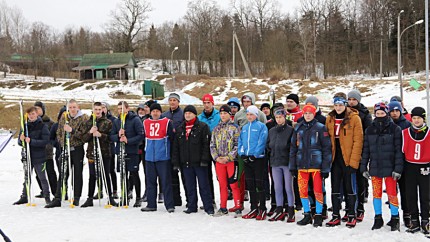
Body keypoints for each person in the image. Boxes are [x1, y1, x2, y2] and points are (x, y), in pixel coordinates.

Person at [360, 102, 403, 231]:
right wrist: (363, 167)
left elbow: (398, 151)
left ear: (387, 113)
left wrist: (398, 168)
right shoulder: (370, 130)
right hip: (375, 167)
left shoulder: (395, 129)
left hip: (390, 168)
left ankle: (395, 218)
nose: (380, 116)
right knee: (377, 194)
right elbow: (366, 150)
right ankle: (378, 217)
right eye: (377, 113)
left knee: (392, 193)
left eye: (382, 113)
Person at [290, 104, 332, 227]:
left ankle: (318, 214)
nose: (308, 115)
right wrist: (292, 166)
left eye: (310, 113)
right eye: (306, 113)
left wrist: (325, 167)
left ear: (314, 114)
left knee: (318, 190)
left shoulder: (320, 128)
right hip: (301, 165)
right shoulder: (298, 128)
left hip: (316, 166)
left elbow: (327, 149)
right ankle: (307, 213)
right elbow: (293, 148)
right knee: (302, 191)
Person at [325, 94, 363, 228]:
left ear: (345, 105)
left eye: (341, 105)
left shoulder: (354, 118)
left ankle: (351, 214)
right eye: (336, 105)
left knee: (349, 187)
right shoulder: (330, 118)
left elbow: (358, 141)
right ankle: (335, 215)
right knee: (335, 187)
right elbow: (327, 140)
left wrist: (354, 162)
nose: (338, 107)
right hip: (335, 158)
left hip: (348, 158)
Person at [172, 105, 214, 215]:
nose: (188, 115)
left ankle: (208, 206)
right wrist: (176, 162)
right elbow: (176, 147)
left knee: (204, 186)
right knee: (189, 186)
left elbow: (206, 145)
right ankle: (191, 205)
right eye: (186, 113)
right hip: (185, 163)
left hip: (200, 163)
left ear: (195, 114)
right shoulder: (180, 128)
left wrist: (205, 159)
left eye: (190, 113)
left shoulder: (202, 127)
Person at [46, 99, 88, 208]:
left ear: (78, 107)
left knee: (77, 173)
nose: (72, 109)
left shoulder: (83, 118)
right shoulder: (64, 117)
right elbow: (59, 132)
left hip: (77, 149)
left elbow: (84, 135)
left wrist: (72, 131)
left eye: (74, 107)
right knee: (63, 173)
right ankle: (58, 197)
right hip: (66, 148)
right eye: (70, 107)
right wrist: (62, 142)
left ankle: (76, 197)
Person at [80, 102, 118, 207]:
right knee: (92, 176)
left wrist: (101, 135)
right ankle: (90, 198)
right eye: (95, 109)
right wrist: (90, 133)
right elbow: (83, 139)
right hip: (92, 153)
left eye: (99, 109)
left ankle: (110, 197)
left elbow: (111, 138)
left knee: (106, 174)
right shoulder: (88, 123)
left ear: (102, 110)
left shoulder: (108, 122)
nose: (97, 111)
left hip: (105, 153)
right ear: (93, 110)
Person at [140, 103, 175, 213]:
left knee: (166, 182)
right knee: (150, 181)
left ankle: (169, 205)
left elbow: (173, 139)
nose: (155, 113)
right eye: (153, 111)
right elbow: (142, 138)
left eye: (157, 111)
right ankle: (151, 204)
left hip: (163, 157)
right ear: (150, 112)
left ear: (160, 112)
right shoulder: (145, 122)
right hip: (149, 157)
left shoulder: (167, 122)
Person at [14, 106, 51, 205]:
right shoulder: (25, 126)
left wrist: (32, 141)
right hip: (27, 156)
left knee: (42, 178)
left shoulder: (42, 126)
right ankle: (24, 196)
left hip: (39, 157)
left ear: (37, 114)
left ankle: (47, 196)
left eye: (33, 114)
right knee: (27, 177)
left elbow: (46, 141)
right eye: (29, 114)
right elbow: (19, 142)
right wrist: (21, 140)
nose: (31, 116)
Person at [110, 101, 144, 207]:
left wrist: (128, 140)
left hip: (132, 151)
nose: (120, 110)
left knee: (134, 174)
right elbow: (111, 136)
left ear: (127, 108)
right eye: (119, 108)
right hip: (120, 151)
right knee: (123, 175)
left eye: (122, 108)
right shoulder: (116, 121)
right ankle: (124, 196)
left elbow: (141, 135)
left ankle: (138, 198)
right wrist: (118, 137)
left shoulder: (135, 119)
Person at [402, 107, 430, 234]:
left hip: (425, 166)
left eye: (419, 118)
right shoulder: (405, 133)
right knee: (411, 196)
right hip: (410, 167)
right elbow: (400, 152)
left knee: (426, 196)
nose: (416, 120)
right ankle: (414, 221)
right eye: (414, 118)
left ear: (423, 118)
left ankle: (426, 221)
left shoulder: (429, 133)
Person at [210, 105, 241, 216]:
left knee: (233, 184)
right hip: (219, 161)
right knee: (222, 185)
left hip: (231, 161)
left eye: (225, 113)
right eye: (221, 114)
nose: (223, 115)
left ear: (229, 114)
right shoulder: (216, 128)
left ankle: (238, 206)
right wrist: (217, 157)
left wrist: (229, 157)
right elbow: (212, 144)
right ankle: (223, 207)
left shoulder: (234, 128)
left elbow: (237, 144)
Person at [239, 105, 268, 220]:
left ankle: (262, 208)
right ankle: (253, 207)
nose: (249, 116)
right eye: (248, 114)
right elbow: (241, 141)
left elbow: (262, 141)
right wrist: (243, 154)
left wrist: (255, 154)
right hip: (247, 159)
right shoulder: (245, 128)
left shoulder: (261, 126)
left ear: (256, 115)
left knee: (259, 184)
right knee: (250, 184)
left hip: (258, 159)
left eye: (251, 114)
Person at [266, 107, 295, 222]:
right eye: (277, 117)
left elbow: (292, 147)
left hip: (286, 162)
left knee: (288, 187)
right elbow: (268, 145)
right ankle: (279, 208)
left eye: (280, 117)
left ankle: (291, 209)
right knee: (277, 187)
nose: (278, 120)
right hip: (275, 162)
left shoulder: (290, 130)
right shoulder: (272, 131)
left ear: (284, 117)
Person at [347, 89, 371, 214]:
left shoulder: (364, 113)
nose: (351, 102)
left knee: (360, 175)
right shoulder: (344, 111)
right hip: (346, 149)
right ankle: (349, 203)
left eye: (354, 99)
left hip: (360, 148)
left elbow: (368, 131)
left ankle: (362, 197)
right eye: (349, 99)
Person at [388, 100, 412, 227]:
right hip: (390, 161)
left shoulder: (407, 124)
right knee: (392, 191)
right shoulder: (387, 123)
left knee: (405, 190)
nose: (395, 113)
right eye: (392, 111)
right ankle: (394, 215)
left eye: (397, 110)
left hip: (404, 162)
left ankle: (407, 215)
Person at [162, 93, 185, 207]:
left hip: (181, 147)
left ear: (178, 102)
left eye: (174, 100)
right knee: (172, 175)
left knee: (185, 175)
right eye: (170, 100)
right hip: (169, 147)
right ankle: (176, 198)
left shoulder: (182, 114)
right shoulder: (164, 115)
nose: (172, 102)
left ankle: (190, 199)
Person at [198, 94, 220, 206]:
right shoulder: (199, 118)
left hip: (218, 149)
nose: (206, 105)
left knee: (220, 176)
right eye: (205, 103)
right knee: (206, 176)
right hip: (205, 149)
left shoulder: (219, 115)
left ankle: (225, 198)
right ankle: (210, 199)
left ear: (212, 103)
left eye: (209, 103)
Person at [33, 101, 57, 198]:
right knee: (38, 174)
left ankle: (55, 192)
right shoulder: (32, 122)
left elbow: (54, 136)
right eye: (35, 108)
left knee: (50, 172)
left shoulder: (49, 122)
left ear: (43, 110)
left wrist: (51, 143)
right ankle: (43, 190)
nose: (37, 110)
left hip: (47, 152)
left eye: (39, 108)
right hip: (36, 152)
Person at [101, 102, 119, 199]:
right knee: (100, 171)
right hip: (99, 148)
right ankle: (100, 190)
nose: (102, 109)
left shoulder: (113, 120)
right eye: (101, 108)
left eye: (104, 107)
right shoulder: (97, 119)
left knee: (111, 170)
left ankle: (114, 190)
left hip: (109, 148)